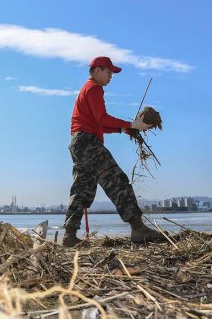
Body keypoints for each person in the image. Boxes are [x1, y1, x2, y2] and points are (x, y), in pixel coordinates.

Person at [62, 56, 166, 247]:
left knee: (81, 189)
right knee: (116, 179)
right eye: (109, 72)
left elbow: (98, 122)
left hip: (78, 143)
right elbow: (102, 119)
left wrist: (125, 129)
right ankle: (138, 228)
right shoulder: (94, 88)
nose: (111, 76)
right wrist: (131, 124)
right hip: (87, 143)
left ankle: (69, 235)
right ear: (98, 70)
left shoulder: (88, 89)